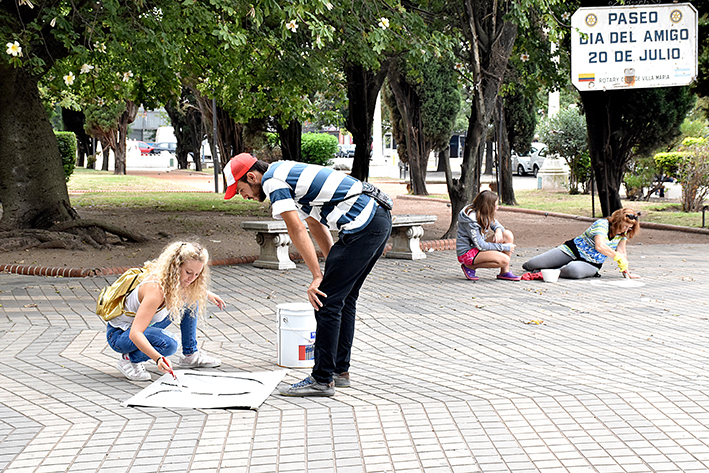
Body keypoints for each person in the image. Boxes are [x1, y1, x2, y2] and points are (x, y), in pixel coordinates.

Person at [223, 153, 392, 396]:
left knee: (325, 299)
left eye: (241, 190)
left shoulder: (272, 181)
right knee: (341, 298)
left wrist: (317, 277)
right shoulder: (286, 172)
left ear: (251, 176)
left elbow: (295, 228)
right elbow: (315, 224)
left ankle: (322, 379)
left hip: (363, 223)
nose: (244, 197)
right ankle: (338, 371)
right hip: (377, 217)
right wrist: (331, 269)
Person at [106, 241, 225, 381]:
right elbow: (135, 333)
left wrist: (205, 293)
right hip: (121, 335)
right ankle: (129, 359)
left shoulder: (176, 281)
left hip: (142, 327)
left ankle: (190, 354)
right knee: (169, 344)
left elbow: (192, 289)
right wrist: (158, 358)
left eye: (197, 274)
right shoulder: (156, 290)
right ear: (175, 267)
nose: (192, 279)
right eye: (188, 272)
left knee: (193, 297)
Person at [522, 208, 641, 279]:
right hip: (572, 250)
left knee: (573, 270)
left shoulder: (622, 235)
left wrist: (626, 272)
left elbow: (622, 252)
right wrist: (616, 256)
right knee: (532, 264)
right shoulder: (602, 224)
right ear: (617, 222)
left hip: (591, 263)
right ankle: (546, 267)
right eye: (625, 226)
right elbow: (600, 246)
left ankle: (550, 272)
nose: (626, 230)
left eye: (629, 228)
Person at [456, 190, 521, 281]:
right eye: (495, 205)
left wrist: (498, 230)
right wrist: (504, 247)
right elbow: (481, 245)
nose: (497, 208)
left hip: (478, 247)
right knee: (505, 260)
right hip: (467, 253)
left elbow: (497, 225)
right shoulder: (471, 220)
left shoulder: (483, 212)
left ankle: (504, 272)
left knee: (507, 234)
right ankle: (470, 267)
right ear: (488, 206)